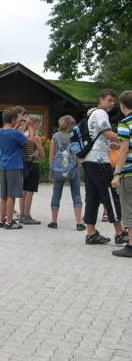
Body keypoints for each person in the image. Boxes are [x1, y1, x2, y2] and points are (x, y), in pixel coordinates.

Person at [82, 89, 128, 245]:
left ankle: (91, 232)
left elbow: (102, 136)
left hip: (89, 159)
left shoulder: (92, 114)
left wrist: (113, 144)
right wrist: (124, 139)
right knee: (110, 193)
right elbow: (107, 133)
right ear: (100, 99)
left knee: (92, 196)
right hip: (99, 161)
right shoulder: (101, 114)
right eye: (109, 100)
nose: (112, 103)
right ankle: (120, 232)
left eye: (113, 101)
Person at [0, 107, 41, 230]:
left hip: (3, 165)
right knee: (12, 195)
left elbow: (12, 133)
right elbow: (31, 141)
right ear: (13, 119)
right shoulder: (15, 133)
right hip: (14, 165)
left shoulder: (1, 131)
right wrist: (31, 127)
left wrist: (16, 125)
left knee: (3, 195)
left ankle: (2, 220)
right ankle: (10, 222)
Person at [47, 115, 84, 230]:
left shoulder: (55, 136)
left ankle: (53, 221)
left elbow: (51, 156)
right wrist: (80, 164)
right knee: (76, 194)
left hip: (59, 169)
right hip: (73, 168)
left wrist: (51, 170)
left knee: (56, 194)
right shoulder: (75, 136)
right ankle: (78, 222)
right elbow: (79, 154)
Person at [112, 90, 132, 257]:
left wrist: (117, 173)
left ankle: (131, 245)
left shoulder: (125, 123)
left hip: (129, 172)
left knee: (129, 208)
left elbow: (125, 148)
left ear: (123, 105)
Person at [19, 114, 45, 224]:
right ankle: (27, 215)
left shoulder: (23, 135)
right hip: (33, 165)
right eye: (38, 123)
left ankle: (22, 214)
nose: (40, 125)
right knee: (30, 192)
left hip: (24, 165)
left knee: (23, 191)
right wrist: (39, 151)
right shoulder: (35, 137)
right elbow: (43, 154)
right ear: (34, 124)